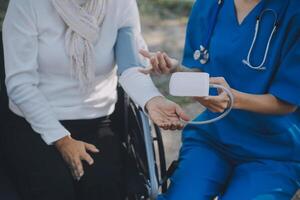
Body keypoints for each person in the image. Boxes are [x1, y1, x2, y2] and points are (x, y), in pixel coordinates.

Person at [1, 0, 190, 200]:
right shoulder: (27, 4)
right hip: (34, 122)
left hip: (97, 119)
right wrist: (62, 140)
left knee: (104, 186)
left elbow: (132, 67)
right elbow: (20, 83)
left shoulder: (119, 4)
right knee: (53, 188)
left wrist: (152, 100)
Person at [141, 0, 300, 199]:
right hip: (213, 138)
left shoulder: (294, 10)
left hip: (273, 151)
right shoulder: (210, 4)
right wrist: (177, 70)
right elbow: (202, 72)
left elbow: (288, 101)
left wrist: (234, 99)